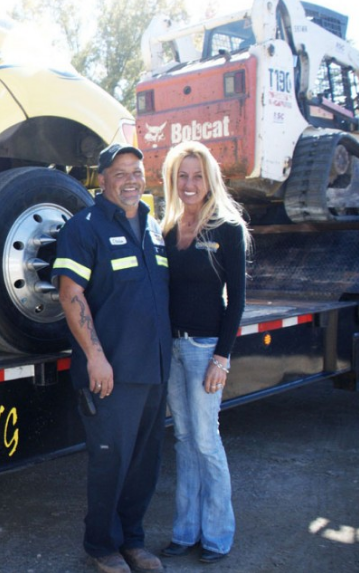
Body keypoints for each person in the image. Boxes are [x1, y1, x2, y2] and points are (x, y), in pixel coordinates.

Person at [52, 143, 172, 573]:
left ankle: (133, 541)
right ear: (101, 178)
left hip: (153, 369)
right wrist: (96, 359)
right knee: (111, 462)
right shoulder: (84, 227)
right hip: (111, 372)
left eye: (136, 171)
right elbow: (71, 294)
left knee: (145, 463)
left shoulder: (153, 226)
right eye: (119, 172)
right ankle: (101, 546)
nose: (130, 179)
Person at [157, 141, 250, 564]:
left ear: (209, 178)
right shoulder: (168, 229)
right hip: (173, 349)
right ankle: (184, 531)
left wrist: (222, 357)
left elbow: (238, 302)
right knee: (182, 439)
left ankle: (216, 536)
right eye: (182, 175)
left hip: (204, 348)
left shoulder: (227, 229)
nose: (189, 183)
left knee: (206, 440)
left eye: (196, 175)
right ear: (173, 180)